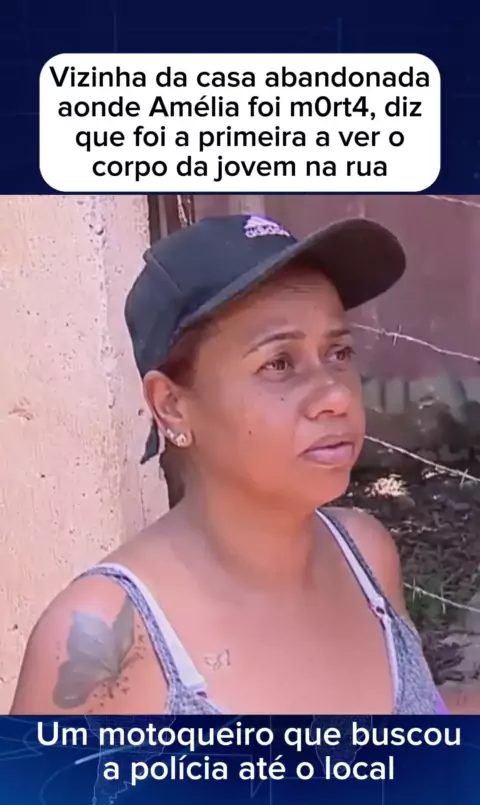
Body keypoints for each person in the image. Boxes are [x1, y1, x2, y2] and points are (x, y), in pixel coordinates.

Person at [11, 212, 450, 715]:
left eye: (339, 352)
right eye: (278, 363)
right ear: (171, 406)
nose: (336, 395)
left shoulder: (366, 558)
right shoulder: (102, 643)